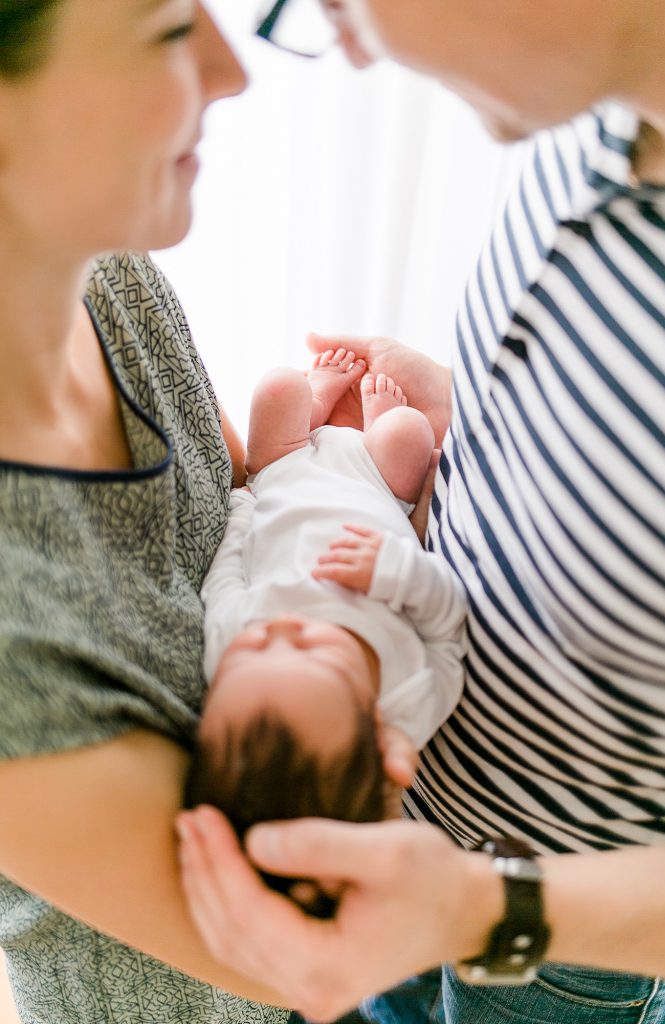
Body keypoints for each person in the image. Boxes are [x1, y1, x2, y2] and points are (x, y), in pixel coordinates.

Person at [176, 0, 665, 1021]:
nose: (351, 47)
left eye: (335, 6)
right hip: (408, 833)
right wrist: (481, 419)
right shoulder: (587, 123)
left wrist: (495, 907)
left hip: (564, 931)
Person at [0, 3, 307, 1022]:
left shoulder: (105, 274)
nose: (233, 71)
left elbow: (245, 518)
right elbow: (292, 950)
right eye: (171, 28)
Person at [185, 350, 466, 915]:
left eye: (257, 647)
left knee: (278, 388)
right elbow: (447, 630)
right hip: (377, 490)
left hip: (282, 470)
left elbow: (230, 574)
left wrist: (246, 500)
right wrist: (396, 569)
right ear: (381, 738)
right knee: (409, 433)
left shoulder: (231, 647)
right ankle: (373, 436)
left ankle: (312, 402)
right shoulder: (406, 703)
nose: (285, 628)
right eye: (313, 652)